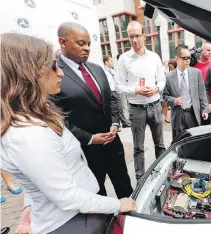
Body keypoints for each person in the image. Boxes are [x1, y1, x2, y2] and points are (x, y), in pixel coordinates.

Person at [0, 33, 136, 234]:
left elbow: (38, 179)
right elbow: (67, 197)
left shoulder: (37, 114)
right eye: (53, 66)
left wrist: (29, 207)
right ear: (29, 73)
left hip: (82, 213)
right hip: (72, 222)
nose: (60, 73)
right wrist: (118, 205)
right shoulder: (28, 134)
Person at [54, 22, 132, 197]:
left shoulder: (97, 69)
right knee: (97, 195)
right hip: (85, 151)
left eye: (89, 44)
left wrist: (115, 123)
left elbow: (110, 98)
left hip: (113, 143)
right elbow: (58, 119)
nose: (87, 48)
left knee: (125, 186)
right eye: (81, 43)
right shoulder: (54, 74)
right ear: (63, 42)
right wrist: (90, 139)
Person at [116, 21, 166, 182]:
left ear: (144, 36)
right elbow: (118, 86)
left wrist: (156, 89)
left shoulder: (154, 57)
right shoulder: (124, 59)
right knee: (138, 148)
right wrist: (135, 90)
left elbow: (162, 80)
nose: (135, 40)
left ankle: (162, 174)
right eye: (131, 37)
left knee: (160, 145)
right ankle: (140, 180)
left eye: (137, 36)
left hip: (155, 105)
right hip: (136, 109)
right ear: (128, 38)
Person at [163, 45, 208, 141]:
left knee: (194, 142)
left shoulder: (196, 73)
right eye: (185, 58)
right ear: (177, 58)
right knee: (179, 143)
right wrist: (174, 101)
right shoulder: (169, 77)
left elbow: (202, 94)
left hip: (193, 114)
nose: (188, 60)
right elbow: (164, 96)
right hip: (178, 115)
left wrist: (204, 110)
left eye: (189, 57)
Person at [103, 55, 131, 128]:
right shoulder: (103, 71)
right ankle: (116, 124)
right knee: (113, 109)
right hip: (110, 91)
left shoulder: (112, 71)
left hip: (116, 91)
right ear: (106, 62)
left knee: (120, 107)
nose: (112, 62)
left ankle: (124, 122)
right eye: (111, 61)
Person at [194, 42, 211, 125]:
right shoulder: (194, 67)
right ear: (201, 51)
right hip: (199, 103)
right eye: (208, 50)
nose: (210, 53)